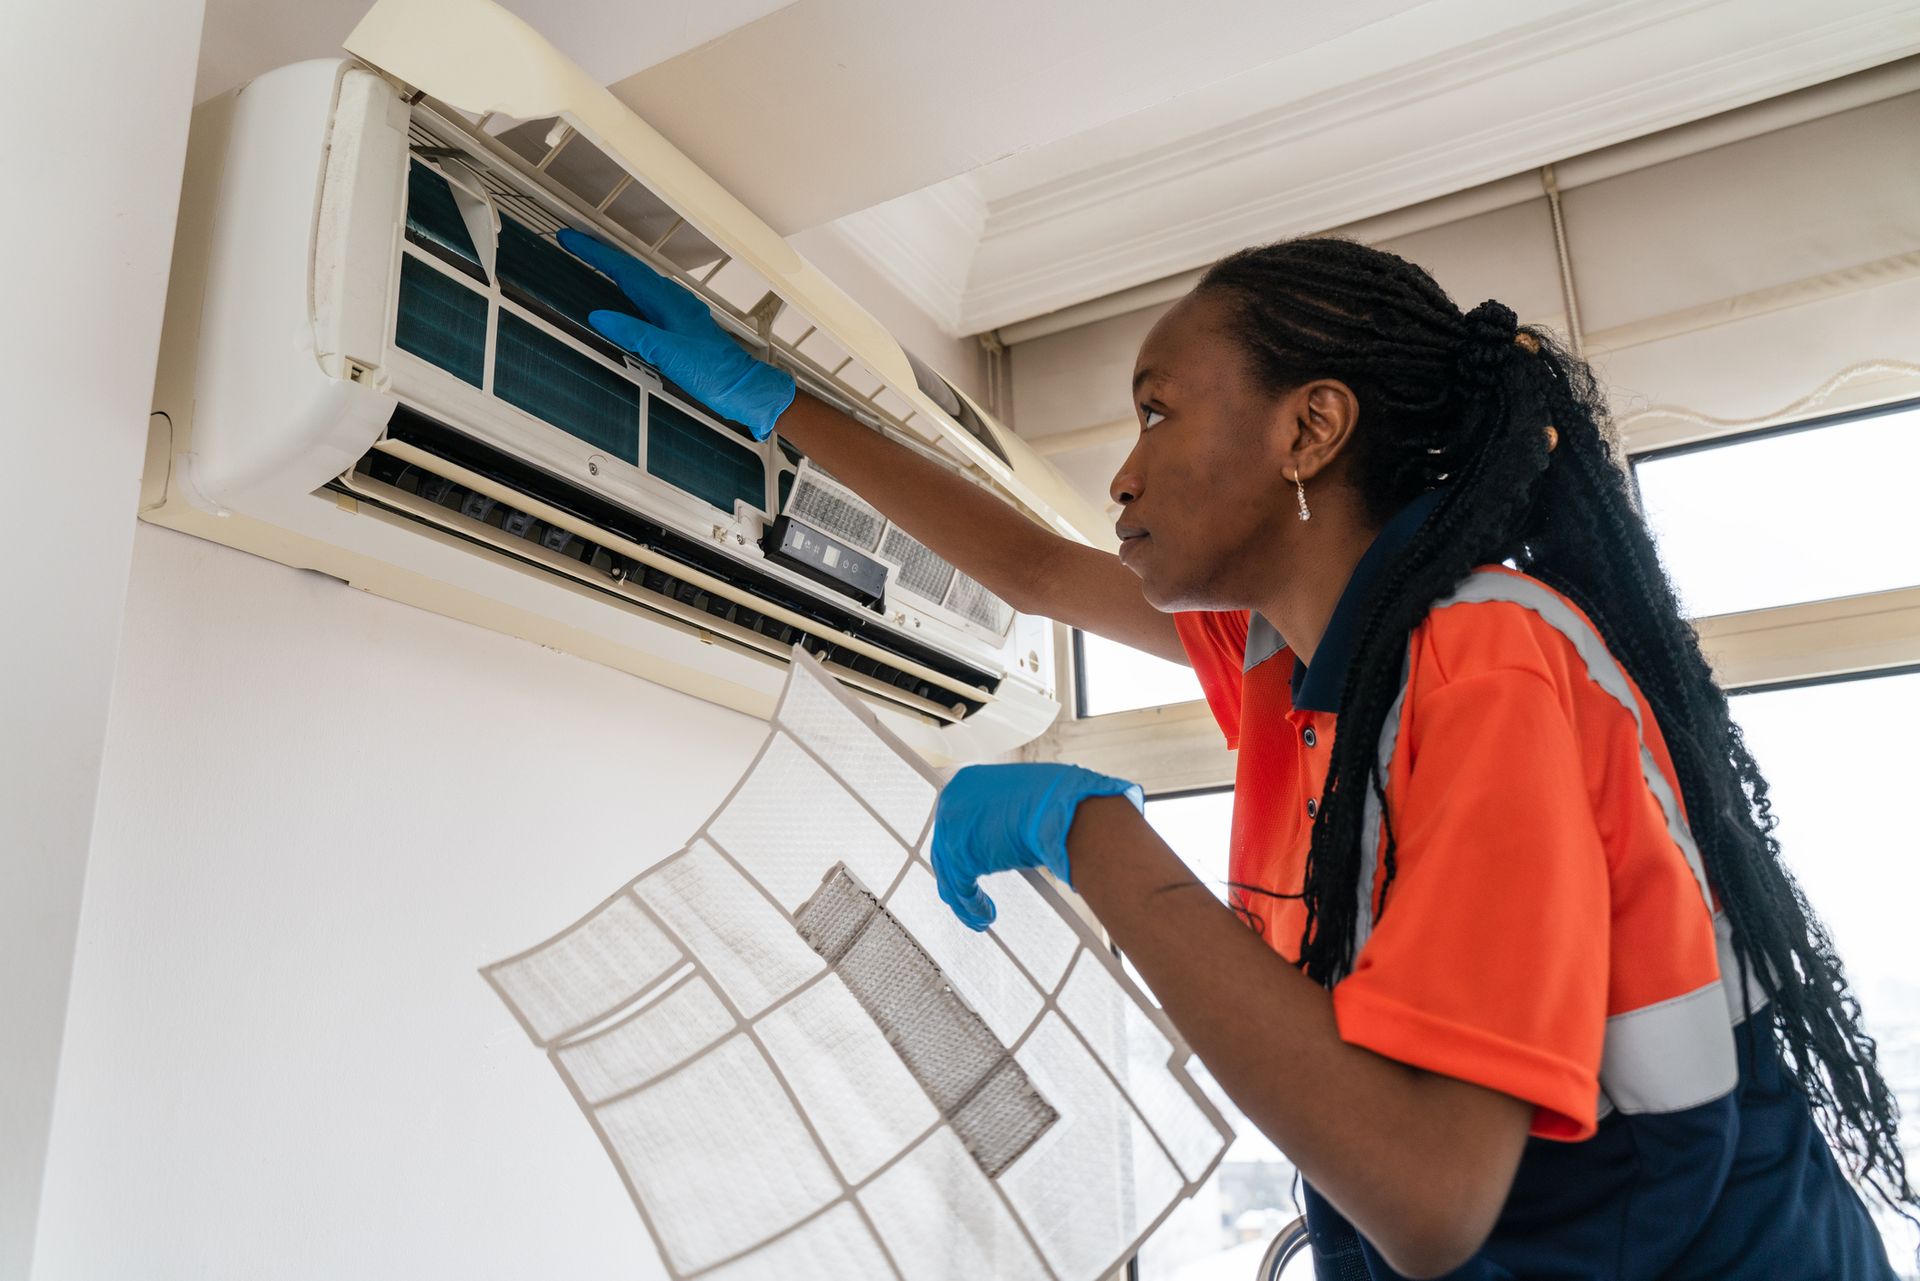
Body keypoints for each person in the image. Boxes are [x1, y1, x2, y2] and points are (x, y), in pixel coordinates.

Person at [557, 230, 1912, 1278]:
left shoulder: (1484, 659)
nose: (1124, 475)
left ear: (1309, 429)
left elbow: (1431, 1194)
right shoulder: (1298, 655)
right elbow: (1032, 565)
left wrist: (1095, 836)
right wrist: (766, 398)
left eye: (1158, 411)